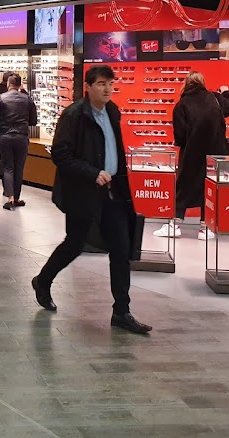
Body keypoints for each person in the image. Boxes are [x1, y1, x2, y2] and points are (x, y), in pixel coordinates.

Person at [32, 64, 151, 336]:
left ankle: (122, 311)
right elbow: (60, 155)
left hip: (113, 193)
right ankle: (43, 280)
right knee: (74, 244)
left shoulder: (112, 111)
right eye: (101, 83)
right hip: (83, 193)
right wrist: (91, 173)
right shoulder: (74, 116)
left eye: (111, 83)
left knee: (121, 249)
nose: (108, 88)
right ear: (88, 86)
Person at [158, 71, 229, 240]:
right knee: (209, 188)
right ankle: (205, 227)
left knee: (184, 186)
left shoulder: (182, 104)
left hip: (192, 153)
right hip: (216, 153)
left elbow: (180, 135)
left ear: (187, 84)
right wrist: (226, 91)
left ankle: (175, 224)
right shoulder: (215, 99)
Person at [0, 74, 37, 210]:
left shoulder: (0, 99)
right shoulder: (27, 99)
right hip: (21, 136)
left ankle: (9, 198)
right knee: (19, 167)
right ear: (20, 85)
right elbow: (33, 121)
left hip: (5, 136)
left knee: (8, 167)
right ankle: (16, 198)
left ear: (8, 84)